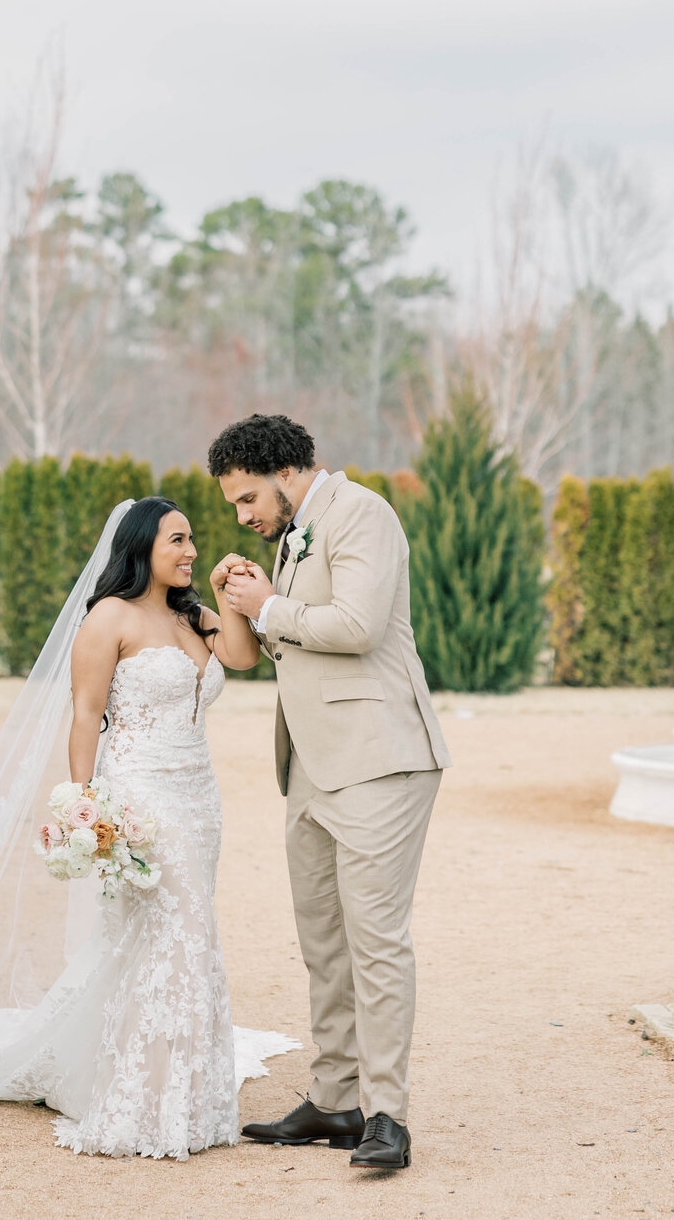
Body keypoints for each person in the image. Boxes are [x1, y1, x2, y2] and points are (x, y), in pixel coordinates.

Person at [0, 495, 298, 1160]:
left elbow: (245, 659)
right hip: (140, 797)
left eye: (192, 540)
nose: (191, 551)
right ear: (141, 548)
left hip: (200, 798)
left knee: (173, 938)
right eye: (178, 541)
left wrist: (233, 595)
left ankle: (180, 1088)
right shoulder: (108, 618)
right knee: (179, 932)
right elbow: (84, 716)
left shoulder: (192, 614)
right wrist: (86, 808)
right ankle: (147, 1102)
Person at [208, 413, 450, 1172]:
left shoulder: (363, 514)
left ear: (285, 472)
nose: (244, 516)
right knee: (323, 943)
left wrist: (266, 608)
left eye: (247, 498)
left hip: (379, 758)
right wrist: (257, 597)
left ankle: (388, 1117)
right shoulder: (290, 536)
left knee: (375, 945)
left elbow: (357, 626)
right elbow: (293, 642)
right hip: (309, 764)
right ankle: (335, 1100)